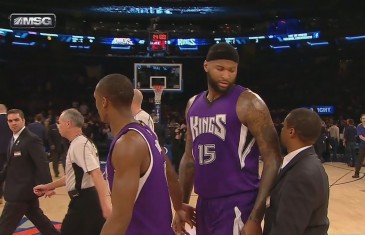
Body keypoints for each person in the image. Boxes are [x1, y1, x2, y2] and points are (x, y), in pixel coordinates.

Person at [176, 42, 282, 235]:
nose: (226, 75)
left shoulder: (250, 103)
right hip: (205, 203)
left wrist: (256, 217)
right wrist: (181, 204)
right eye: (220, 69)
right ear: (206, 66)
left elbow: (273, 158)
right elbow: (189, 159)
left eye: (232, 70)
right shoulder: (193, 104)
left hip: (238, 203)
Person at [94, 74, 193, 235]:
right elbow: (171, 176)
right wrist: (179, 206)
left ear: (104, 102)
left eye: (96, 100)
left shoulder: (127, 144)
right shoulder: (147, 132)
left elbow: (119, 219)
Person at [34, 108, 111, 235]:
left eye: (60, 122)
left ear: (68, 123)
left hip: (85, 201)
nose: (58, 126)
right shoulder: (80, 142)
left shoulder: (79, 144)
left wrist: (105, 206)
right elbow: (72, 176)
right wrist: (48, 186)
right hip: (85, 200)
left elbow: (97, 174)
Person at [263, 108, 329, 235]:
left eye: (284, 126)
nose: (281, 129)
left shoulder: (301, 174)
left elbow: (286, 229)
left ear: (291, 132)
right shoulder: (310, 163)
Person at [0, 109, 59, 235]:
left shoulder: (31, 139)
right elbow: (8, 166)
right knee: (41, 221)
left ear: (23, 121)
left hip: (19, 194)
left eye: (16, 120)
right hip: (26, 193)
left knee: (4, 229)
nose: (13, 123)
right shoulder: (14, 138)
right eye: (10, 121)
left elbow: (42, 163)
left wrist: (48, 186)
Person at [0, 104, 12, 204]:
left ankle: (0, 196)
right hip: (11, 149)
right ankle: (11, 195)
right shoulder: (11, 119)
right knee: (12, 171)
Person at [352, 114, 365, 178]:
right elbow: (360, 136)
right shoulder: (359, 126)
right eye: (363, 118)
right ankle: (356, 173)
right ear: (361, 119)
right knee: (359, 159)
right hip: (363, 145)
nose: (364, 120)